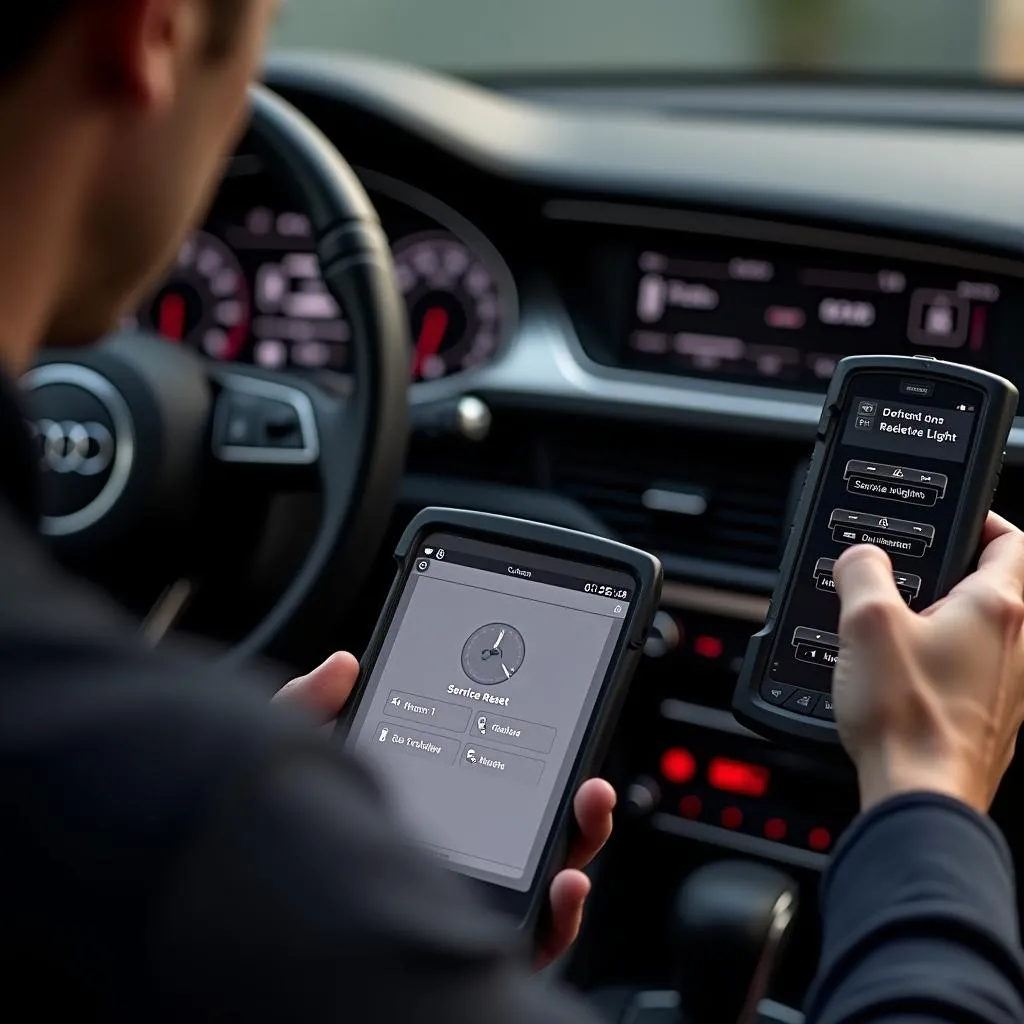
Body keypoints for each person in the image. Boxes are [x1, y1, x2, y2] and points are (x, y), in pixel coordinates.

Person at [0, 2, 1023, 1021]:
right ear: (151, 30)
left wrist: (297, 878)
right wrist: (925, 781)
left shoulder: (146, 821)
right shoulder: (192, 822)